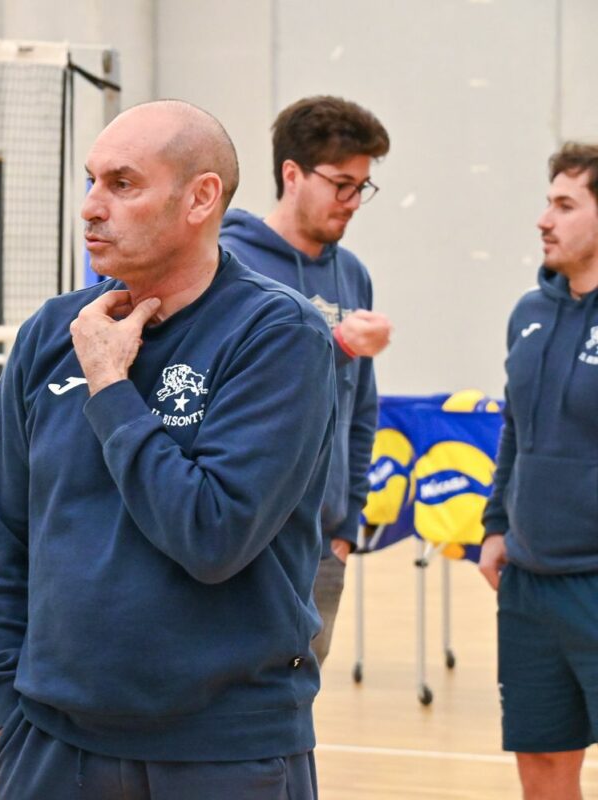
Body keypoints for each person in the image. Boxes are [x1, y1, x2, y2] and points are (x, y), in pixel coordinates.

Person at [0, 100, 337, 799]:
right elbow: (6, 537)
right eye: (90, 181)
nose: (91, 207)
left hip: (223, 753)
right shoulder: (52, 333)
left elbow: (212, 535)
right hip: (51, 746)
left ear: (201, 198)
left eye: (122, 183)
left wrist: (110, 386)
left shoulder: (277, 336)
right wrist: (4, 710)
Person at [220, 95, 391, 665]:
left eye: (362, 187)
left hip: (320, 549)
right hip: (241, 544)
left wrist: (348, 522)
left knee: (293, 723)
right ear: (292, 174)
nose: (353, 202)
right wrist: (337, 346)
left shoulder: (353, 274)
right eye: (342, 184)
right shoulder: (228, 266)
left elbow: (360, 409)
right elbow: (228, 386)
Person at [478, 142, 598, 800]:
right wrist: (497, 527)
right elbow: (515, 429)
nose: (543, 220)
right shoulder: (529, 314)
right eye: (547, 201)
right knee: (542, 766)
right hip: (529, 586)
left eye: (564, 204)